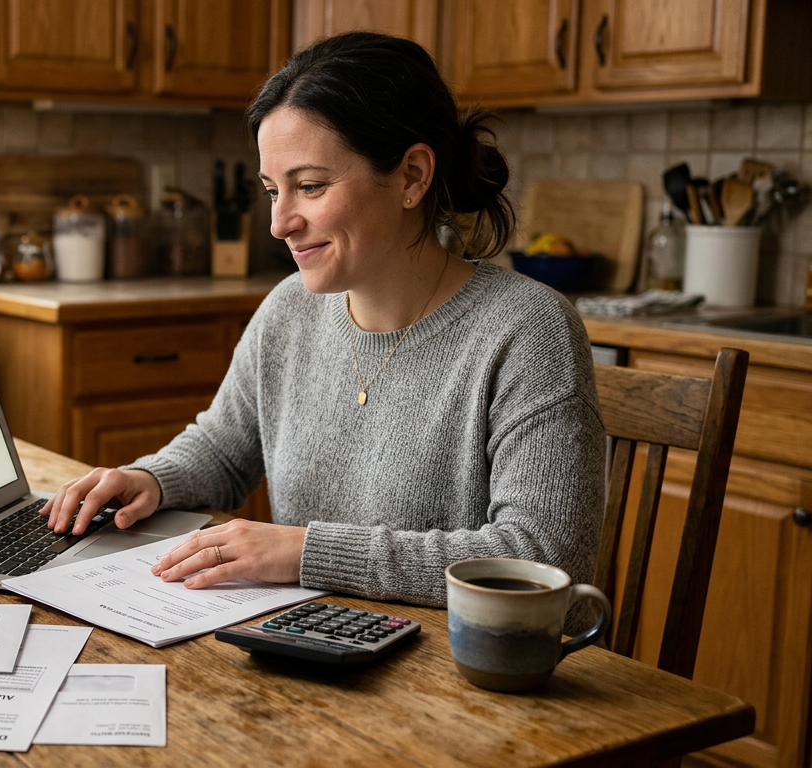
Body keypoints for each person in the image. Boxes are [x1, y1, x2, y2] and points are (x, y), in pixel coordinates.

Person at [40, 31, 606, 609]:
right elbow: (223, 449)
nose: (279, 223)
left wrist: (307, 553)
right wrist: (152, 480)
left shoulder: (529, 330)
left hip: (458, 659)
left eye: (309, 187)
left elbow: (543, 558)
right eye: (272, 191)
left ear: (412, 176)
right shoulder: (290, 309)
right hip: (315, 636)